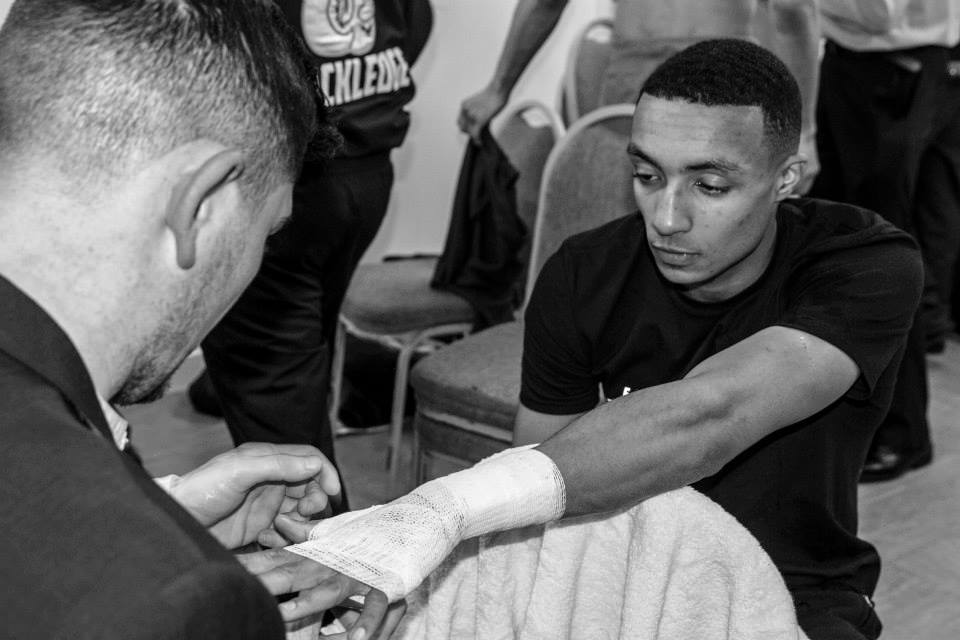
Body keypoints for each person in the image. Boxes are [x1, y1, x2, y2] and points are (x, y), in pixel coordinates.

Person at [242, 40, 922, 640]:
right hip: (620, 575)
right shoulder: (583, 273)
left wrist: (440, 507)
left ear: (786, 180)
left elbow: (709, 415)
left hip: (800, 586)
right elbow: (539, 480)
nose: (668, 217)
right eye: (648, 175)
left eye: (710, 185)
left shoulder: (865, 265)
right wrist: (400, 558)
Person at [0, 0, 397, 637]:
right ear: (201, 205)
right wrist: (183, 577)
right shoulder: (175, 598)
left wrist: (161, 513)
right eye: (267, 235)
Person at [195, 0, 433, 497]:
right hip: (362, 167)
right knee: (296, 368)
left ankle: (322, 560)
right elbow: (415, 22)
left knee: (275, 389)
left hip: (293, 177)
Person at [809, 0, 960, 482]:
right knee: (866, 240)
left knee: (880, 249)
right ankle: (883, 417)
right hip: (876, 66)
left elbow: (880, 12)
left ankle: (902, 430)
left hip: (895, 70)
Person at [457, 0, 821, 192]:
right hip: (722, 69)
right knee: (720, 218)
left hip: (639, 73)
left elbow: (546, 3)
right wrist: (802, 131)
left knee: (633, 220)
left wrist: (498, 88)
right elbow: (792, 10)